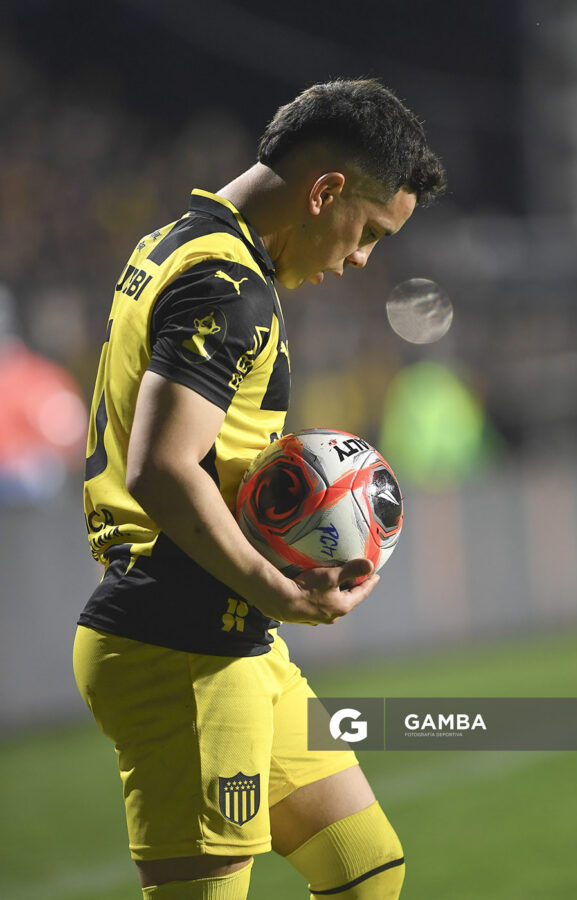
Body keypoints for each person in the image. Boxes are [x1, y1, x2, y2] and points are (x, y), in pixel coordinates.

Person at [73, 78, 445, 900]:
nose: (360, 261)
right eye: (370, 234)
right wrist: (276, 588)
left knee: (366, 866)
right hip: (178, 642)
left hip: (223, 634)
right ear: (326, 191)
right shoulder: (229, 286)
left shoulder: (175, 242)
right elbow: (163, 468)